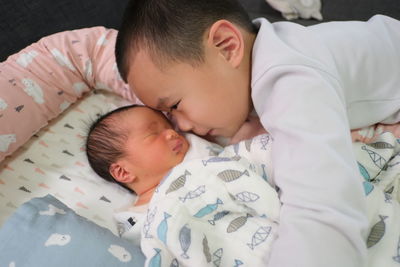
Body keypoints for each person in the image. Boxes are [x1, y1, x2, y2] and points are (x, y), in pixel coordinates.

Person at [114, 0, 400, 266]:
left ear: (226, 46)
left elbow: (325, 208)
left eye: (175, 106)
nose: (182, 127)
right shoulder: (266, 55)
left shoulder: (291, 79)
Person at [86, 104, 281, 266]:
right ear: (123, 172)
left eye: (168, 127)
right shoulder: (137, 223)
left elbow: (248, 160)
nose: (171, 133)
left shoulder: (204, 162)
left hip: (277, 239)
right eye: (153, 134)